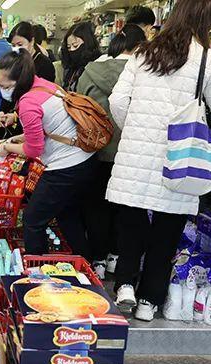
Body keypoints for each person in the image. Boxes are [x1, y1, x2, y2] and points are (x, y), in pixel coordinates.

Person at [107, 0, 211, 321]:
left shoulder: (142, 52)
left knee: (131, 222)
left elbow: (117, 100)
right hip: (181, 156)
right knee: (167, 230)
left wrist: (134, 128)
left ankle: (124, 285)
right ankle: (149, 302)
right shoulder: (207, 58)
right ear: (206, 22)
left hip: (136, 154)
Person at [0, 49, 97, 259]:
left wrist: (6, 147)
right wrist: (16, 139)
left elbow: (34, 149)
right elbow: (46, 129)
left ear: (18, 81)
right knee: (66, 213)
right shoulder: (44, 84)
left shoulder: (27, 103)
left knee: (33, 219)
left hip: (65, 166)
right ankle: (85, 261)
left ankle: (38, 268)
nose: (1, 91)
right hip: (83, 159)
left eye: (4, 86)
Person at [76, 24, 147, 280]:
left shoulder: (90, 72)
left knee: (96, 207)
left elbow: (77, 107)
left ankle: (97, 259)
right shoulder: (146, 74)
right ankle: (117, 259)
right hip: (131, 152)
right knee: (126, 210)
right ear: (140, 47)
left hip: (95, 150)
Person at [60, 21, 102, 92]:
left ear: (87, 43)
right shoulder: (71, 68)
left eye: (75, 45)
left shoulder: (96, 66)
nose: (72, 50)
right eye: (69, 47)